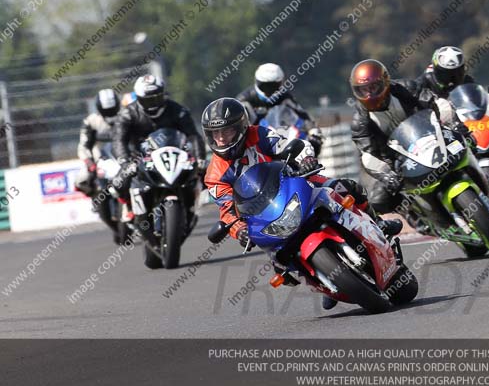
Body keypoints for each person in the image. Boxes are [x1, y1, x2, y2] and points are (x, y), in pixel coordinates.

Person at [202, 97, 401, 310]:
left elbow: (292, 145)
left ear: (241, 126)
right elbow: (227, 210)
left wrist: (306, 159)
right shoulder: (214, 175)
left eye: (227, 131)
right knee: (281, 265)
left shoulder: (258, 134)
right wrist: (238, 229)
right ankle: (325, 279)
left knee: (348, 187)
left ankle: (377, 223)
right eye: (215, 133)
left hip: (292, 184)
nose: (221, 138)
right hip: (262, 214)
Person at [349, 58, 472, 218]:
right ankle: (413, 214)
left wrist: (455, 124)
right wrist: (388, 175)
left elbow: (437, 103)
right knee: (378, 201)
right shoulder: (360, 120)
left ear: (385, 82)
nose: (370, 94)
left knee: (465, 142)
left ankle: (482, 178)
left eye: (373, 87)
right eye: (363, 90)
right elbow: (369, 154)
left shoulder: (406, 89)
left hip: (431, 138)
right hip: (398, 161)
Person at [112, 74, 206, 227]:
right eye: (148, 99)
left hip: (174, 155)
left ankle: (191, 206)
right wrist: (124, 160)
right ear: (139, 98)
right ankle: (129, 205)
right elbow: (119, 140)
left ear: (163, 94)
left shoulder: (178, 110)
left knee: (204, 174)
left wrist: (200, 158)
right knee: (118, 184)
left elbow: (193, 136)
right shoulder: (128, 114)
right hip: (140, 158)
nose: (153, 103)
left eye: (157, 97)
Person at [236, 63, 324, 154]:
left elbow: (302, 114)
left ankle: (308, 165)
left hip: (282, 137)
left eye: (273, 86)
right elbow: (236, 125)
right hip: (254, 142)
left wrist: (313, 130)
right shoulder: (244, 100)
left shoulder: (285, 97)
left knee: (315, 142)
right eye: (265, 86)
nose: (269, 90)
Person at [417, 45, 489, 124]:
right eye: (445, 74)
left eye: (456, 73)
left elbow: (483, 98)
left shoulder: (466, 80)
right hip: (435, 130)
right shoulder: (424, 82)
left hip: (467, 126)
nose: (451, 79)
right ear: (436, 70)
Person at [75, 89, 120, 197]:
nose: (110, 113)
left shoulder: (126, 116)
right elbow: (83, 146)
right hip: (99, 161)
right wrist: (90, 164)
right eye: (106, 110)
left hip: (122, 159)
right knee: (81, 181)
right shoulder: (91, 121)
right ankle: (97, 201)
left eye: (112, 109)